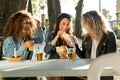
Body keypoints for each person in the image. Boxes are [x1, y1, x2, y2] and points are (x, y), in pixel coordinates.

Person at [77, 10, 117, 80]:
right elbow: (83, 57)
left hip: (104, 73)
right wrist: (75, 46)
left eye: (85, 23)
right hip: (89, 70)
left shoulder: (109, 36)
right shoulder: (86, 37)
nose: (83, 26)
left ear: (92, 23)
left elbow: (110, 59)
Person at [44, 13, 81, 80]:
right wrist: (56, 37)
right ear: (58, 23)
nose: (65, 27)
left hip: (68, 66)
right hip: (53, 64)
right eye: (63, 24)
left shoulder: (73, 37)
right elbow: (46, 51)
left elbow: (76, 56)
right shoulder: (51, 35)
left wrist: (72, 44)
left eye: (67, 24)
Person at [2, 10, 37, 80]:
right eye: (26, 23)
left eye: (29, 23)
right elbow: (10, 58)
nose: (28, 25)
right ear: (18, 25)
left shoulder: (25, 38)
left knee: (33, 75)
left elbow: (27, 59)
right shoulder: (9, 40)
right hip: (12, 73)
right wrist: (23, 47)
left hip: (24, 71)